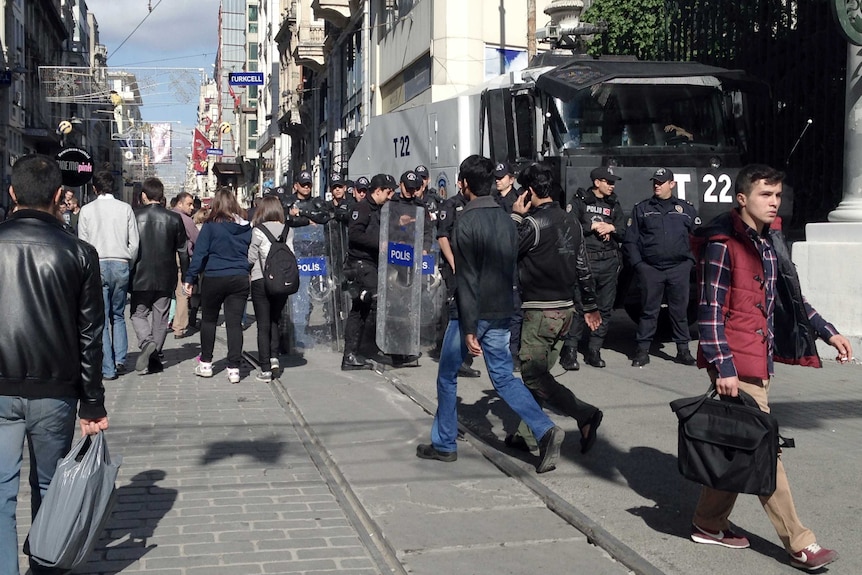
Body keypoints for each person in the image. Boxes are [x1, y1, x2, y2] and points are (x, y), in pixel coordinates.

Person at [689, 163, 852, 571]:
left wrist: (827, 331)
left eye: (777, 195)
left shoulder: (768, 243)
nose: (773, 201)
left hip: (757, 358)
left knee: (739, 447)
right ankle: (800, 542)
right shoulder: (722, 244)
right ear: (742, 199)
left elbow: (791, 299)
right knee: (764, 450)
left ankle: (708, 522)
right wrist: (723, 366)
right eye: (765, 194)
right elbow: (709, 311)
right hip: (736, 361)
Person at [416, 154, 565, 474]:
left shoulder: (466, 221)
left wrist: (469, 326)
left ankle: (444, 444)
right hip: (502, 310)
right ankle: (544, 429)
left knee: (446, 376)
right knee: (502, 378)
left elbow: (468, 277)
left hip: (471, 313)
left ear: (465, 185)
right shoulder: (504, 217)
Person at [0, 154, 109, 575]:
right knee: (51, 487)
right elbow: (89, 335)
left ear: (12, 193)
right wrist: (93, 403)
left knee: (0, 494)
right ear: (60, 196)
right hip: (55, 393)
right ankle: (47, 567)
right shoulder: (79, 252)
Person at [506, 161, 604, 454]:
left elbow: (505, 250)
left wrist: (515, 216)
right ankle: (527, 434)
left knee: (533, 375)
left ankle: (584, 414)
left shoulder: (533, 224)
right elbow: (583, 266)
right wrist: (590, 305)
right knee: (541, 373)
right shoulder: (572, 220)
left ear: (531, 191)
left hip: (540, 311)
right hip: (565, 310)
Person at [623, 168, 698, 367]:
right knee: (648, 311)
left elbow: (698, 238)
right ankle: (642, 351)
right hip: (651, 269)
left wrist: (691, 262)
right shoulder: (642, 208)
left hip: (679, 268)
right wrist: (639, 266)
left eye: (662, 182)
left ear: (672, 184)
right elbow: (631, 240)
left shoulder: (685, 209)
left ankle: (683, 351)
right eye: (655, 181)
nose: (657, 185)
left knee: (679, 312)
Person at [182, 187, 252, 384]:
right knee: (234, 324)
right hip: (238, 278)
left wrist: (190, 279)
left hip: (214, 277)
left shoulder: (211, 227)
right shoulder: (246, 228)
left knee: (209, 320)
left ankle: (205, 363)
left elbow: (199, 255)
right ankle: (234, 368)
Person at [560, 167, 627, 370]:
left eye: (613, 182)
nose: (612, 185)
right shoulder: (580, 200)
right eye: (608, 181)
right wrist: (594, 227)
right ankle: (570, 351)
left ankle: (594, 350)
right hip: (585, 262)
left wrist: (612, 228)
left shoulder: (613, 203)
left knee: (605, 308)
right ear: (597, 182)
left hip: (608, 262)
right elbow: (568, 225)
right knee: (580, 307)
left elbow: (624, 231)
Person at [78, 169, 140, 380]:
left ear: (94, 188)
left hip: (97, 265)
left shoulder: (86, 210)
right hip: (121, 263)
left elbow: (83, 244)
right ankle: (121, 359)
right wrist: (127, 262)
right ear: (112, 187)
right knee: (118, 315)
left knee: (101, 319)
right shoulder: (125, 209)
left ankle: (108, 367)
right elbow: (134, 242)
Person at [130, 177, 189, 375]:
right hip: (166, 274)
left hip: (140, 274)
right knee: (161, 317)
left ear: (144, 196)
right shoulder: (174, 218)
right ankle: (155, 359)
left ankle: (147, 342)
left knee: (138, 314)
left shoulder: (134, 216)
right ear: (162, 196)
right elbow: (182, 251)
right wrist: (187, 277)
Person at [340, 173, 395, 370]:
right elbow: (354, 234)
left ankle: (353, 353)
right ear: (377, 190)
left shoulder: (381, 209)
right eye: (388, 192)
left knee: (360, 310)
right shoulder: (362, 208)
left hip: (373, 263)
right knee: (375, 300)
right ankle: (362, 350)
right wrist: (380, 243)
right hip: (361, 264)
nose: (390, 196)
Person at [248, 196, 293, 382]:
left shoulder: (258, 230)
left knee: (262, 325)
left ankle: (265, 368)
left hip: (261, 280)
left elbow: (251, 258)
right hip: (281, 282)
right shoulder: (288, 230)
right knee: (275, 320)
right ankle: (274, 358)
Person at [172, 192, 200, 339]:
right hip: (181, 258)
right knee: (182, 292)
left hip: (164, 258)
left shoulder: (167, 215)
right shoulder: (186, 220)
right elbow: (197, 239)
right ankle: (179, 327)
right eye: (189, 204)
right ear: (180, 203)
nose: (192, 207)